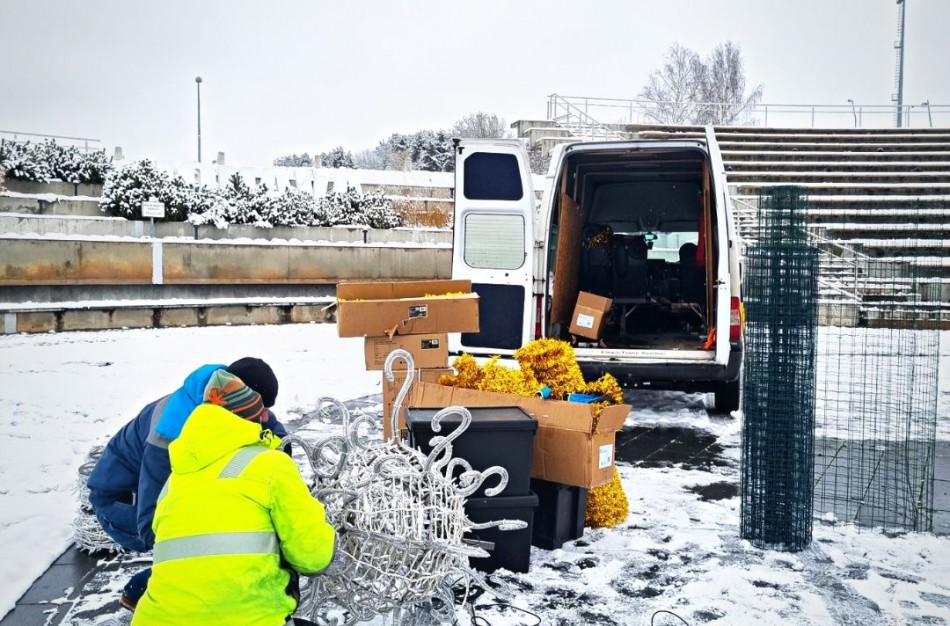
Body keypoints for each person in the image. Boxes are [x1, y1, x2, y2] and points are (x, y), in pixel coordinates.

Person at [131, 370, 336, 625]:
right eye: (262, 414)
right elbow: (314, 557)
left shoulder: (173, 482)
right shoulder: (271, 466)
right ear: (250, 422)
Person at [86, 357, 287, 609]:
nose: (264, 416)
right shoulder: (171, 432)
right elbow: (152, 527)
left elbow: (271, 427)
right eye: (261, 409)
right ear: (238, 397)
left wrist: (282, 464)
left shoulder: (223, 393)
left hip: (149, 491)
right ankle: (147, 592)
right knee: (217, 530)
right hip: (122, 500)